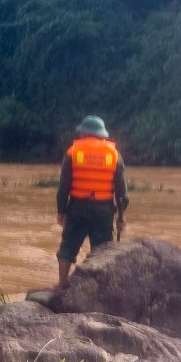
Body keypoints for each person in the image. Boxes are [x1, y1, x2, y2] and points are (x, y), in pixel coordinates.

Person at [55, 115, 128, 287]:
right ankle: (100, 286)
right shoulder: (114, 155)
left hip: (77, 207)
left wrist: (61, 210)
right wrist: (122, 216)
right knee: (102, 249)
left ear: (83, 133)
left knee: (68, 246)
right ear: (102, 135)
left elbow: (63, 186)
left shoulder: (73, 152)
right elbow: (122, 192)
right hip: (103, 210)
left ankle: (61, 285)